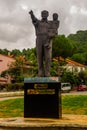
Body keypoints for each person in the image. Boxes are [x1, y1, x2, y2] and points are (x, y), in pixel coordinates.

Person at [29, 10, 52, 77]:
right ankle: (40, 72)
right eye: (42, 13)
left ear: (48, 14)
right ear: (41, 14)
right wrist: (32, 14)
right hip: (39, 39)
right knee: (39, 57)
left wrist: (49, 42)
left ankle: (47, 72)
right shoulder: (38, 22)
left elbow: (53, 33)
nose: (44, 14)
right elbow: (34, 19)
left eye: (45, 13)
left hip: (47, 39)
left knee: (48, 57)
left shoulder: (50, 24)